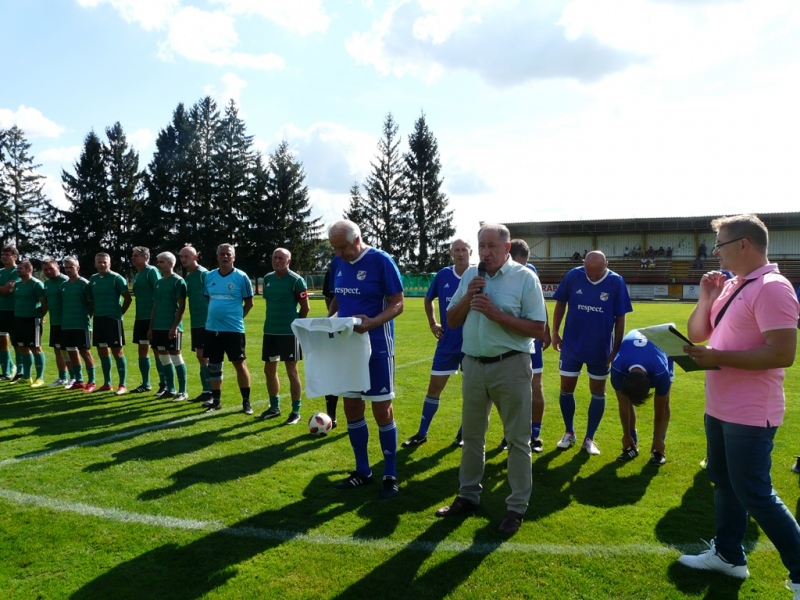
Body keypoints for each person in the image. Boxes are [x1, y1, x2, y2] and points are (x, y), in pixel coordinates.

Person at [678, 215, 800, 596]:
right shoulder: (733, 285)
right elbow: (698, 334)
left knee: (754, 492)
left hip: (750, 411)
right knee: (724, 483)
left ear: (744, 244)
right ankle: (729, 556)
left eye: (720, 244)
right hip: (720, 406)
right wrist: (706, 298)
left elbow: (783, 353)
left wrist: (719, 359)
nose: (715, 252)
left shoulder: (772, 287)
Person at [434, 224, 546, 535]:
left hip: (510, 366)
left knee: (517, 440)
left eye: (492, 246)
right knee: (471, 436)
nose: (485, 252)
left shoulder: (525, 278)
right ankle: (468, 495)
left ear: (507, 248)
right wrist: (467, 298)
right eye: (481, 245)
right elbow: (452, 322)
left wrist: (498, 315)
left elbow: (539, 329)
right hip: (472, 365)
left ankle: (516, 507)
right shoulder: (471, 276)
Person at [327, 220, 404, 499]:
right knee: (352, 408)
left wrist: (373, 323)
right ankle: (363, 471)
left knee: (382, 410)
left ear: (357, 239)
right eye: (335, 248)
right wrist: (330, 321)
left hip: (378, 346)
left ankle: (390, 473)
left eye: (342, 247)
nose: (338, 253)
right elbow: (337, 300)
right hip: (348, 348)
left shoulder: (380, 260)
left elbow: (398, 303)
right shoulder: (337, 263)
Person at [551, 251, 632, 455]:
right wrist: (554, 332)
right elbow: (560, 302)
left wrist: (616, 348)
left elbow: (620, 317)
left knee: (598, 391)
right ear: (583, 265)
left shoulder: (616, 282)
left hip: (600, 348)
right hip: (571, 345)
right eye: (589, 271)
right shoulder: (573, 275)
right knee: (566, 388)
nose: (593, 276)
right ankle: (569, 432)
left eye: (598, 272)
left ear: (607, 264)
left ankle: (590, 438)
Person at [402, 238, 472, 448]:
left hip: (472, 344)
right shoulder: (443, 275)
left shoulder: (478, 275)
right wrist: (433, 323)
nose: (460, 254)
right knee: (434, 387)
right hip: (447, 342)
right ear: (451, 253)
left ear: (470, 252)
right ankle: (422, 433)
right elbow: (428, 298)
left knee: (471, 392)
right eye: (456, 250)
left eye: (464, 250)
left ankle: (463, 433)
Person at [257, 248, 310, 425]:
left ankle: (296, 411)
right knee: (269, 370)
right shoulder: (268, 279)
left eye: (281, 258)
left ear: (289, 261)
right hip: (270, 331)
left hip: (289, 334)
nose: (277, 260)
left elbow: (305, 307)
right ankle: (274, 408)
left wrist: (297, 326)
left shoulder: (296, 280)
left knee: (291, 371)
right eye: (274, 258)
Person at [201, 243, 253, 414]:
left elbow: (249, 303)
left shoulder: (241, 277)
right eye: (222, 254)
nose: (225, 257)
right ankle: (216, 401)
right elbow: (209, 299)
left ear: (234, 257)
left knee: (239, 363)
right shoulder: (209, 276)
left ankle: (246, 402)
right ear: (217, 257)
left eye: (228, 254)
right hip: (212, 329)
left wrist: (236, 318)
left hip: (234, 330)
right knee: (214, 365)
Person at [610, 330, 673, 465]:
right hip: (636, 350)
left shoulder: (660, 371)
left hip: (663, 345)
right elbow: (623, 403)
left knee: (664, 402)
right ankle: (631, 444)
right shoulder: (617, 368)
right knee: (626, 401)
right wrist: (626, 435)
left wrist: (657, 438)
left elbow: (660, 408)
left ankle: (658, 448)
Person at [148, 252, 189, 401]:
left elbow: (181, 307)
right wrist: (151, 327)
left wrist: (175, 327)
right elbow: (155, 305)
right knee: (163, 357)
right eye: (158, 262)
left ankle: (183, 391)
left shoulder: (178, 281)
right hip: (158, 326)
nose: (158, 264)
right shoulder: (158, 283)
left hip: (171, 326)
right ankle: (170, 389)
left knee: (176, 356)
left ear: (171, 263)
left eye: (162, 262)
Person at [89, 253, 132, 394]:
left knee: (117, 351)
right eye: (99, 262)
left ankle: (122, 384)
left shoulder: (116, 278)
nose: (102, 264)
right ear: (95, 264)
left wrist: (119, 313)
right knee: (102, 351)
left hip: (113, 320)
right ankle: (107, 383)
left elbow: (127, 298)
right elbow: (91, 299)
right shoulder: (93, 279)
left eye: (104, 262)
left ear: (109, 264)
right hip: (99, 320)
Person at [178, 245, 211, 403]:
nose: (184, 259)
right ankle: (206, 391)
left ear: (195, 257)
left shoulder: (203, 274)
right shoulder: (189, 278)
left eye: (187, 256)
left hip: (208, 322)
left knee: (205, 356)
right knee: (201, 357)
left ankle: (211, 392)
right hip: (196, 322)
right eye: (182, 257)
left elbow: (213, 295)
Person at [60, 256, 97, 391]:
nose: (69, 270)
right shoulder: (63, 285)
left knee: (85, 352)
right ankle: (79, 380)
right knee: (71, 352)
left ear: (78, 268)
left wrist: (86, 318)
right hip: (67, 325)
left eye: (71, 267)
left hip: (82, 324)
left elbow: (91, 305)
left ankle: (92, 381)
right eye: (66, 267)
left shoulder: (84, 284)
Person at [130, 246, 163, 394]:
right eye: (133, 255)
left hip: (153, 318)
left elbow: (160, 292)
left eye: (136, 255)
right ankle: (146, 383)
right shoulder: (137, 275)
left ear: (145, 258)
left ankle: (164, 384)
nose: (133, 257)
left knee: (157, 350)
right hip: (141, 318)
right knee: (143, 349)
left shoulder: (151, 271)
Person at [10, 260, 48, 386]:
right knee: (22, 348)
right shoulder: (17, 285)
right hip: (18, 319)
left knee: (35, 348)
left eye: (20, 268)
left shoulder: (36, 284)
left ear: (29, 270)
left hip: (32, 320)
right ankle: (27, 376)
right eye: (17, 268)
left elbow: (44, 304)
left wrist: (39, 316)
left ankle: (40, 377)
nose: (18, 270)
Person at [42, 259, 72, 386]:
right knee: (57, 350)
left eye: (51, 268)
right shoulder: (47, 284)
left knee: (70, 351)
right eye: (45, 270)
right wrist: (42, 315)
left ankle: (74, 377)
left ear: (58, 268)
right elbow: (47, 303)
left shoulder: (66, 281)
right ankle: (62, 377)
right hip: (54, 322)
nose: (48, 271)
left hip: (67, 322)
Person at [321, 267, 339, 426]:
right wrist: (332, 317)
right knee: (330, 372)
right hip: (334, 328)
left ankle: (357, 416)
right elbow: (328, 297)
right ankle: (331, 415)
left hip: (357, 327)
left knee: (356, 373)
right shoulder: (332, 270)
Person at [0, 245, 21, 381]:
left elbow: (8, 290)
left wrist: (4, 288)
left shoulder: (17, 271)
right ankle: (6, 372)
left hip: (14, 311)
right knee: (1, 341)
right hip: (1, 310)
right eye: (3, 254)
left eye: (7, 254)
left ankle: (20, 371)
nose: (4, 257)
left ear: (15, 257)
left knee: (16, 342)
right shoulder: (0, 271)